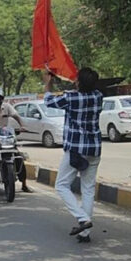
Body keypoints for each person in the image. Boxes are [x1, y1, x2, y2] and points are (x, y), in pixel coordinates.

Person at [44, 68, 103, 243]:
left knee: (61, 185)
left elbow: (49, 101)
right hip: (94, 148)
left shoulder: (71, 98)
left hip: (76, 150)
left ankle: (82, 219)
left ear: (78, 82)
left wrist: (48, 83)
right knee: (88, 189)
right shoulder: (98, 96)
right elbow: (84, 88)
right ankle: (84, 234)